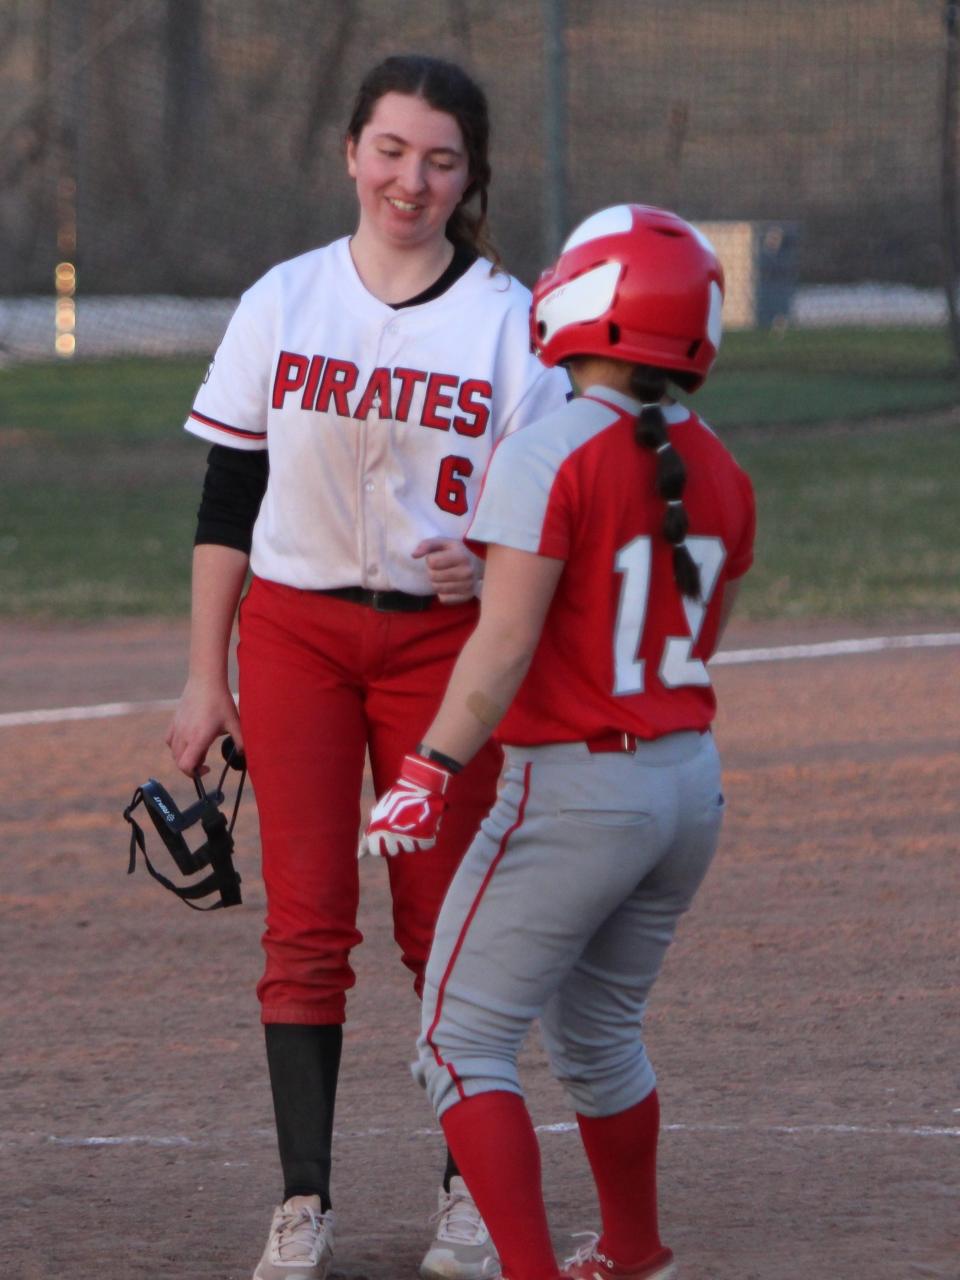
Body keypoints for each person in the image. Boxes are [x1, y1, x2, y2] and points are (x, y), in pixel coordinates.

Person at [164, 54, 569, 1280]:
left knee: (445, 926)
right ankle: (303, 1202)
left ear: (469, 178)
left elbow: (548, 509)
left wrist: (489, 563)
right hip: (293, 633)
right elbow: (229, 493)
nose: (412, 178)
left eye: (440, 159)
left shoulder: (508, 318)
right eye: (391, 149)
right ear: (351, 153)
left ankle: (467, 1190)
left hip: (443, 656)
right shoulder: (284, 300)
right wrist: (202, 674)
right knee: (304, 923)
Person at [365, 204, 757, 1280]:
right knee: (599, 1035)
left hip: (580, 788)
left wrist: (425, 769)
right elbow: (669, 626)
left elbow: (500, 652)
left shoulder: (549, 451)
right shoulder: (720, 465)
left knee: (459, 1041)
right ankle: (634, 1251)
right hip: (687, 786)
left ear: (588, 303)